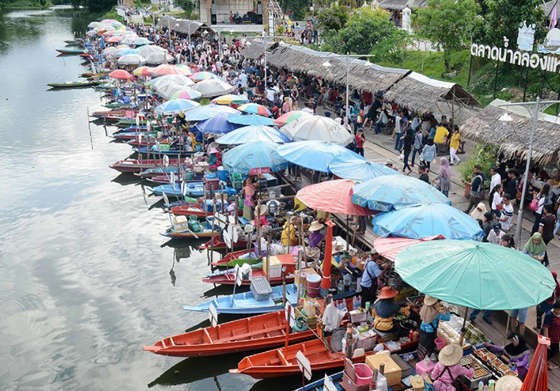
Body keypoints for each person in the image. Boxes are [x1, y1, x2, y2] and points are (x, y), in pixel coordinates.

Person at [418, 295, 450, 359]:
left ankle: (420, 356)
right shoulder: (435, 313)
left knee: (422, 344)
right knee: (428, 346)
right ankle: (425, 358)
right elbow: (447, 318)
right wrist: (447, 310)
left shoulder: (424, 307)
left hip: (422, 328)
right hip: (429, 332)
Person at [543, 300, 560, 368]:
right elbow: (545, 328)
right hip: (549, 336)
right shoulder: (549, 315)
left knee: (555, 350)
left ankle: (545, 361)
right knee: (547, 350)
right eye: (556, 309)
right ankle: (544, 362)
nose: (557, 311)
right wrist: (547, 341)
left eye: (559, 310)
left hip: (556, 337)